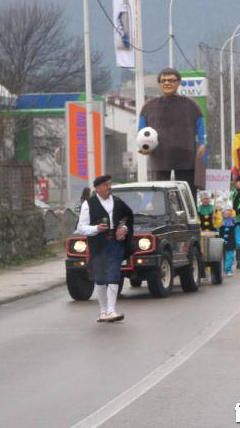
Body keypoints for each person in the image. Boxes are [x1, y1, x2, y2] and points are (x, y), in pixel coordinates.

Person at [139, 68, 206, 198]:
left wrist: (203, 145)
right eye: (163, 80)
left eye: (171, 80)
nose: (167, 83)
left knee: (187, 195)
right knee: (158, 195)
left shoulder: (192, 105)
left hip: (186, 158)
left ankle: (189, 217)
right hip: (159, 157)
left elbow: (201, 130)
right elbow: (141, 132)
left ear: (179, 82)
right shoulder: (148, 107)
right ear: (159, 83)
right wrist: (143, 147)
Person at [75, 175, 134, 322]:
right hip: (98, 244)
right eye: (105, 185)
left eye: (110, 184)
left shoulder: (118, 202)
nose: (109, 187)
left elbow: (128, 216)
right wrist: (96, 228)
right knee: (100, 277)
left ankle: (111, 311)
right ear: (97, 188)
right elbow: (81, 228)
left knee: (114, 274)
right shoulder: (88, 204)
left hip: (115, 243)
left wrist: (124, 227)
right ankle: (103, 312)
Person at [218, 203, 240, 277]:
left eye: (230, 210)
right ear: (223, 212)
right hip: (220, 242)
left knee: (230, 256)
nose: (228, 212)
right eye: (227, 210)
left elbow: (238, 232)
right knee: (221, 257)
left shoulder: (234, 222)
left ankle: (228, 269)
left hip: (231, 242)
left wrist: (239, 241)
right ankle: (222, 269)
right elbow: (216, 230)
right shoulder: (219, 221)